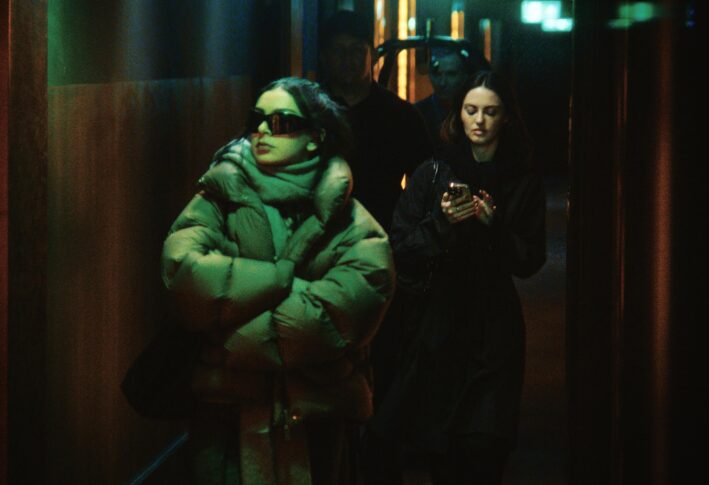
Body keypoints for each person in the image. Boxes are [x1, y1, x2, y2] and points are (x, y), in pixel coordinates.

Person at [161, 77, 395, 484]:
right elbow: (185, 275)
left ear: (315, 138)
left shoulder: (346, 215)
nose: (262, 130)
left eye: (281, 122)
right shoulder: (219, 195)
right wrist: (281, 278)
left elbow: (349, 306)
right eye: (257, 119)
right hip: (226, 414)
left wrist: (232, 324)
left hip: (314, 415)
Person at [370, 70, 546, 484]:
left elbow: (529, 259)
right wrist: (443, 223)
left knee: (485, 447)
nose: (479, 121)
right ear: (459, 114)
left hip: (493, 326)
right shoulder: (433, 173)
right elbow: (400, 246)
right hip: (438, 324)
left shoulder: (521, 179)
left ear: (506, 117)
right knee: (441, 449)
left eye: (490, 112)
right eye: (471, 110)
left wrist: (493, 226)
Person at [318, 9, 432, 232]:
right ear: (324, 56)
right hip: (321, 233)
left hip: (385, 232)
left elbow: (426, 184)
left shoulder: (400, 115)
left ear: (372, 54)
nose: (347, 58)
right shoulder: (310, 111)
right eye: (338, 50)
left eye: (356, 50)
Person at [414, 49, 473, 149]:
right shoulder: (417, 114)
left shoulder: (475, 112)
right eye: (437, 74)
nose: (443, 82)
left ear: (464, 76)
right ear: (430, 76)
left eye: (451, 74)